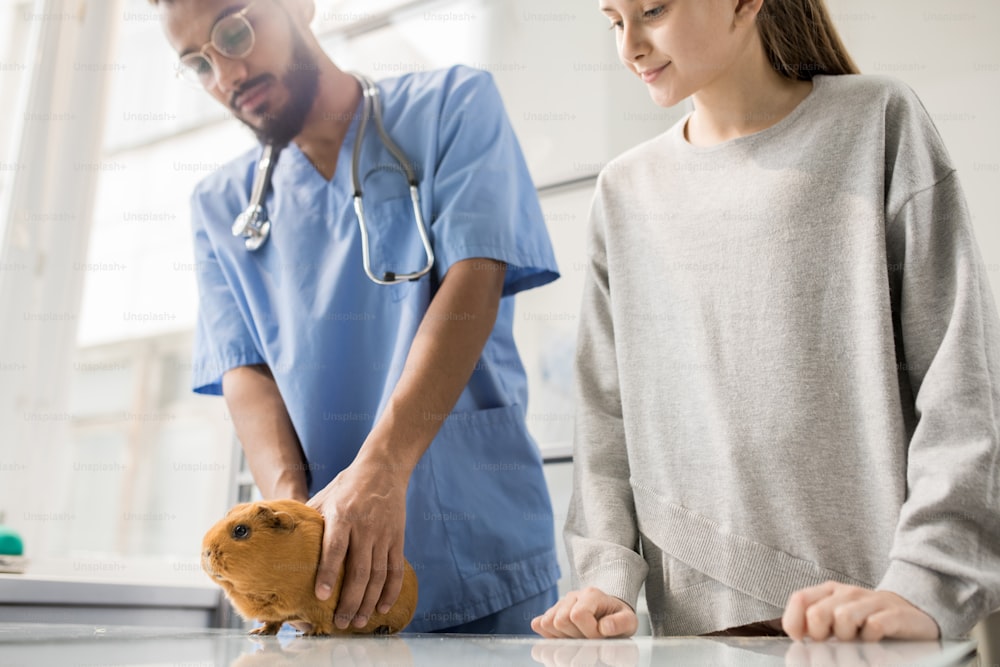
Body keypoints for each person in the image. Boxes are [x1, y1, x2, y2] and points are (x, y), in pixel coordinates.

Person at [532, 0, 1000, 642]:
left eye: (653, 11)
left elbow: (961, 380)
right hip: (698, 634)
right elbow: (605, 413)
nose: (630, 47)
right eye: (615, 21)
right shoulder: (624, 190)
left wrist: (925, 584)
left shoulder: (877, 121)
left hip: (875, 617)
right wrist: (607, 576)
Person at [149, 0, 561, 633]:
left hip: (477, 554)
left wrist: (384, 470)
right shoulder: (220, 207)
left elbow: (474, 279)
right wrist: (288, 517)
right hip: (324, 585)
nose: (226, 72)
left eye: (235, 29)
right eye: (198, 63)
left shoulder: (452, 104)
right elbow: (243, 367)